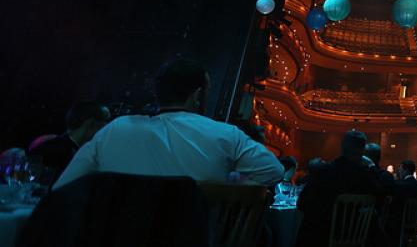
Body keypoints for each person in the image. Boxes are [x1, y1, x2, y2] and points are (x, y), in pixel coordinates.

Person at [55, 60, 282, 189]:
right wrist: (224, 187)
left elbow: (62, 189)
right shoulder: (225, 134)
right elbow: (274, 171)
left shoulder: (115, 129)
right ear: (197, 96)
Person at [296, 130, 386, 247]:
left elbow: (301, 204)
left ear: (342, 146)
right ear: (363, 151)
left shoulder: (323, 172)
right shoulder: (368, 178)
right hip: (356, 239)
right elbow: (381, 197)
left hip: (320, 238)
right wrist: (372, 166)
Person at [29, 100, 111, 184]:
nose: (102, 133)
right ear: (89, 124)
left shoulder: (55, 145)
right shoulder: (55, 151)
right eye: (101, 127)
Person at [385, 160, 417, 245]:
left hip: (398, 223)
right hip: (414, 222)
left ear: (405, 170)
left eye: (400, 168)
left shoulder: (399, 185)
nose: (399, 170)